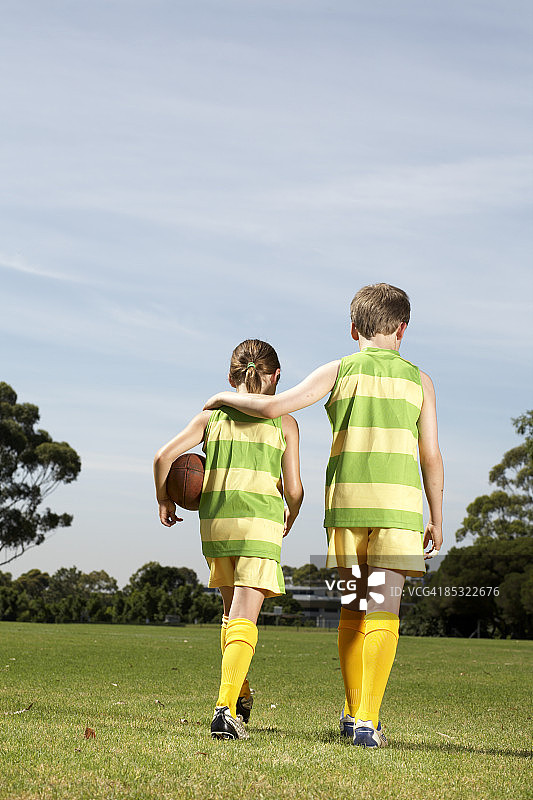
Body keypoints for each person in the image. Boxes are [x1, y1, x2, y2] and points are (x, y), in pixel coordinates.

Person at [204, 284, 444, 747]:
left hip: (347, 508)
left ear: (354, 328)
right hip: (399, 510)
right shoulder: (420, 381)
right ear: (402, 329)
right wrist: (437, 514)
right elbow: (430, 454)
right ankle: (365, 721)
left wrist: (221, 398)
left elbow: (274, 406)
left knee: (354, 611)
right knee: (385, 613)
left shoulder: (337, 370)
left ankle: (356, 708)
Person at [154, 339, 303, 740]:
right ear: (275, 378)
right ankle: (224, 710)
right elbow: (296, 489)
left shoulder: (210, 418)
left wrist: (165, 498)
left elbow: (162, 458)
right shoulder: (285, 422)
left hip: (217, 525)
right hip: (259, 525)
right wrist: (292, 512)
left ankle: (242, 694)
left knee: (230, 615)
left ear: (229, 377)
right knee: (244, 618)